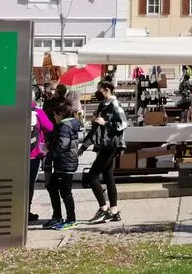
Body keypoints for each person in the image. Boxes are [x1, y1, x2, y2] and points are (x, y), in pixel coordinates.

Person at [81, 81, 127, 225]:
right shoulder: (103, 105)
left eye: (99, 90)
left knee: (92, 176)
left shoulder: (115, 105)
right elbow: (95, 129)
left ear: (106, 90)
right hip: (103, 145)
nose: (97, 92)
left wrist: (105, 123)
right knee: (108, 177)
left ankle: (103, 208)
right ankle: (114, 211)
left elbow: (123, 124)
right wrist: (84, 146)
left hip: (111, 145)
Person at [44, 99, 82, 230]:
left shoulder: (64, 127)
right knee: (52, 186)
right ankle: (57, 216)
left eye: (55, 114)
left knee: (66, 192)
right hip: (65, 163)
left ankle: (71, 219)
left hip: (65, 163)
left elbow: (63, 145)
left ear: (61, 114)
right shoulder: (70, 125)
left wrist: (51, 147)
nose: (54, 117)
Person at [28, 94, 53, 221]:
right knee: (30, 184)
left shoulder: (15, 110)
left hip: (17, 155)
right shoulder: (37, 112)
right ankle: (26, 211)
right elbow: (50, 127)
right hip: (34, 154)